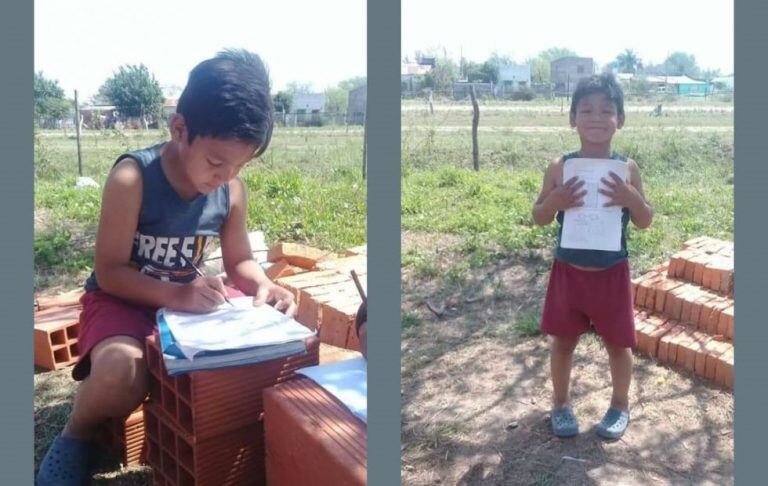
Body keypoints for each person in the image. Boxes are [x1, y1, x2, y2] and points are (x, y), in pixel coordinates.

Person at [36, 49, 296, 485]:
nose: (225, 175)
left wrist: (263, 285)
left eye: (240, 165)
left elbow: (240, 262)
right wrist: (177, 295)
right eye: (216, 162)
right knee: (124, 371)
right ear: (180, 129)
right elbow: (111, 270)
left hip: (186, 309)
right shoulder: (133, 178)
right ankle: (76, 434)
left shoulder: (231, 190)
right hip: (123, 301)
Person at [531, 73, 653, 440]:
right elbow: (539, 217)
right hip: (569, 272)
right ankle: (561, 405)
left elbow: (645, 220)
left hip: (611, 273)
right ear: (572, 119)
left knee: (619, 345)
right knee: (563, 343)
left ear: (621, 120)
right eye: (586, 109)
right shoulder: (560, 167)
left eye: (607, 110)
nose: (597, 117)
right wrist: (556, 201)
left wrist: (631, 199)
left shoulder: (627, 168)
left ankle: (619, 406)